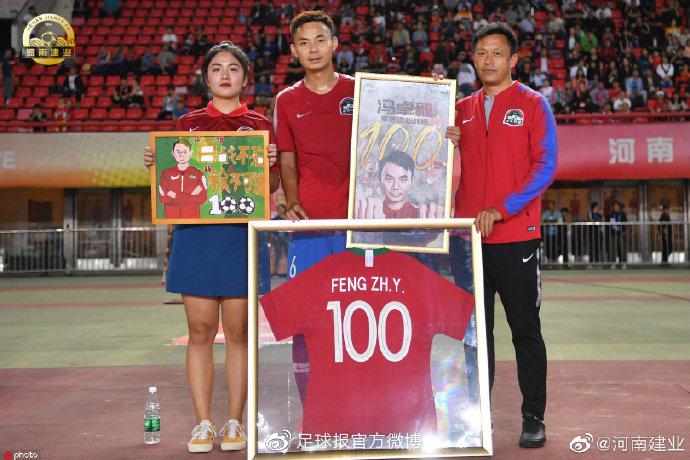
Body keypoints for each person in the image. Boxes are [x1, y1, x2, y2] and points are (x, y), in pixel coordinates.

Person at [144, 41, 279, 454]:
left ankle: (235, 422)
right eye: (217, 68)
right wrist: (156, 163)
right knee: (200, 331)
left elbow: (271, 187)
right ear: (206, 77)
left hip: (240, 236)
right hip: (197, 237)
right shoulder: (187, 124)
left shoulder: (260, 124)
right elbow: (172, 177)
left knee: (238, 333)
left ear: (245, 77)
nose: (225, 75)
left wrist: (271, 163)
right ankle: (203, 423)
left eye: (233, 68)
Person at [445, 22, 557, 448]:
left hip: (516, 238)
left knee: (525, 330)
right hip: (468, 240)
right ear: (473, 59)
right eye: (481, 53)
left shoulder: (533, 105)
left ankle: (533, 418)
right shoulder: (460, 110)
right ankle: (478, 418)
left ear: (513, 59)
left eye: (497, 53)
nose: (488, 60)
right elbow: (439, 170)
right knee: (475, 335)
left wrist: (503, 209)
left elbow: (545, 167)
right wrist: (445, 140)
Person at [273, 10, 354, 405]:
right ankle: (313, 406)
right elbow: (287, 160)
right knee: (306, 319)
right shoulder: (286, 100)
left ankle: (357, 401)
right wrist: (292, 200)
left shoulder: (360, 91)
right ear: (294, 51)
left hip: (358, 227)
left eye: (320, 40)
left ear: (334, 44)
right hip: (310, 228)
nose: (313, 49)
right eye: (304, 43)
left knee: (357, 313)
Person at [354, 150, 443, 219]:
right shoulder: (367, 211)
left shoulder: (422, 215)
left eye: (403, 179)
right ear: (380, 179)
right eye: (389, 179)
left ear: (411, 181)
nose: (395, 186)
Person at [607, 201, 627, 266]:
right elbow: (611, 224)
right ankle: (613, 263)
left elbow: (625, 223)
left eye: (617, 206)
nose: (616, 207)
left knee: (622, 249)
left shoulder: (622, 214)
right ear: (613, 207)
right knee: (613, 249)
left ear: (619, 207)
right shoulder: (611, 214)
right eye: (614, 206)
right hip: (613, 234)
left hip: (621, 233)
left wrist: (624, 230)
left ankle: (623, 263)